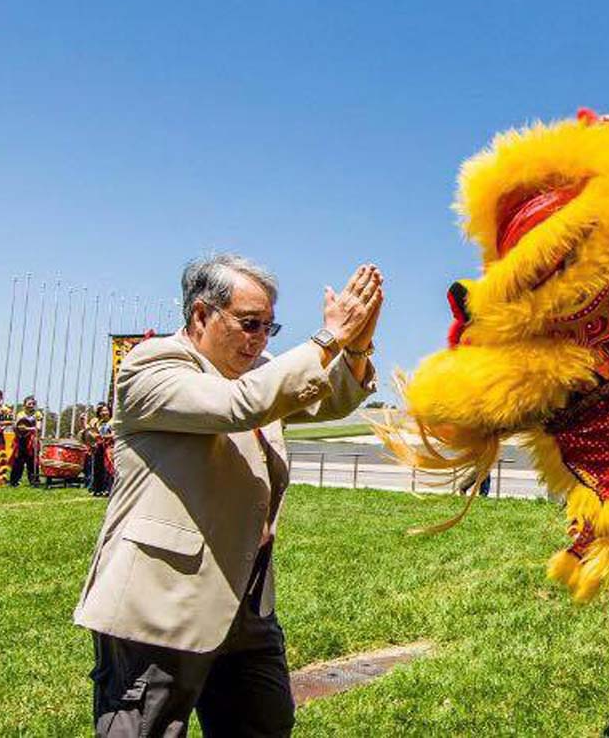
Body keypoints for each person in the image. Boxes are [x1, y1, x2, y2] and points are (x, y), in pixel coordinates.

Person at [73, 254, 382, 737]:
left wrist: (357, 347)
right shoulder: (151, 366)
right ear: (201, 315)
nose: (260, 338)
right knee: (143, 728)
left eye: (269, 328)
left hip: (247, 600)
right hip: (163, 601)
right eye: (250, 323)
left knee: (264, 726)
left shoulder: (257, 373)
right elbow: (242, 405)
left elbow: (327, 399)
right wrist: (329, 339)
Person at [8, 395, 42, 487]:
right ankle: (14, 481)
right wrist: (16, 428)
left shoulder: (37, 414)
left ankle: (34, 481)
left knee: (32, 462)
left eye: (33, 403)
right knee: (18, 461)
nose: (31, 405)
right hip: (20, 440)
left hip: (32, 441)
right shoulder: (20, 414)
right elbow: (16, 426)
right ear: (24, 404)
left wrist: (27, 428)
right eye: (29, 403)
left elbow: (38, 428)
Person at [88, 403, 115, 497]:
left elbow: (115, 434)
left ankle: (108, 489)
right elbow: (93, 433)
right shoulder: (99, 423)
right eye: (101, 411)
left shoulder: (112, 422)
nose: (103, 413)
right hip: (99, 448)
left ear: (110, 412)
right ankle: (98, 489)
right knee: (97, 468)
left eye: (105, 410)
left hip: (109, 448)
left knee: (108, 468)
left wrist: (103, 436)